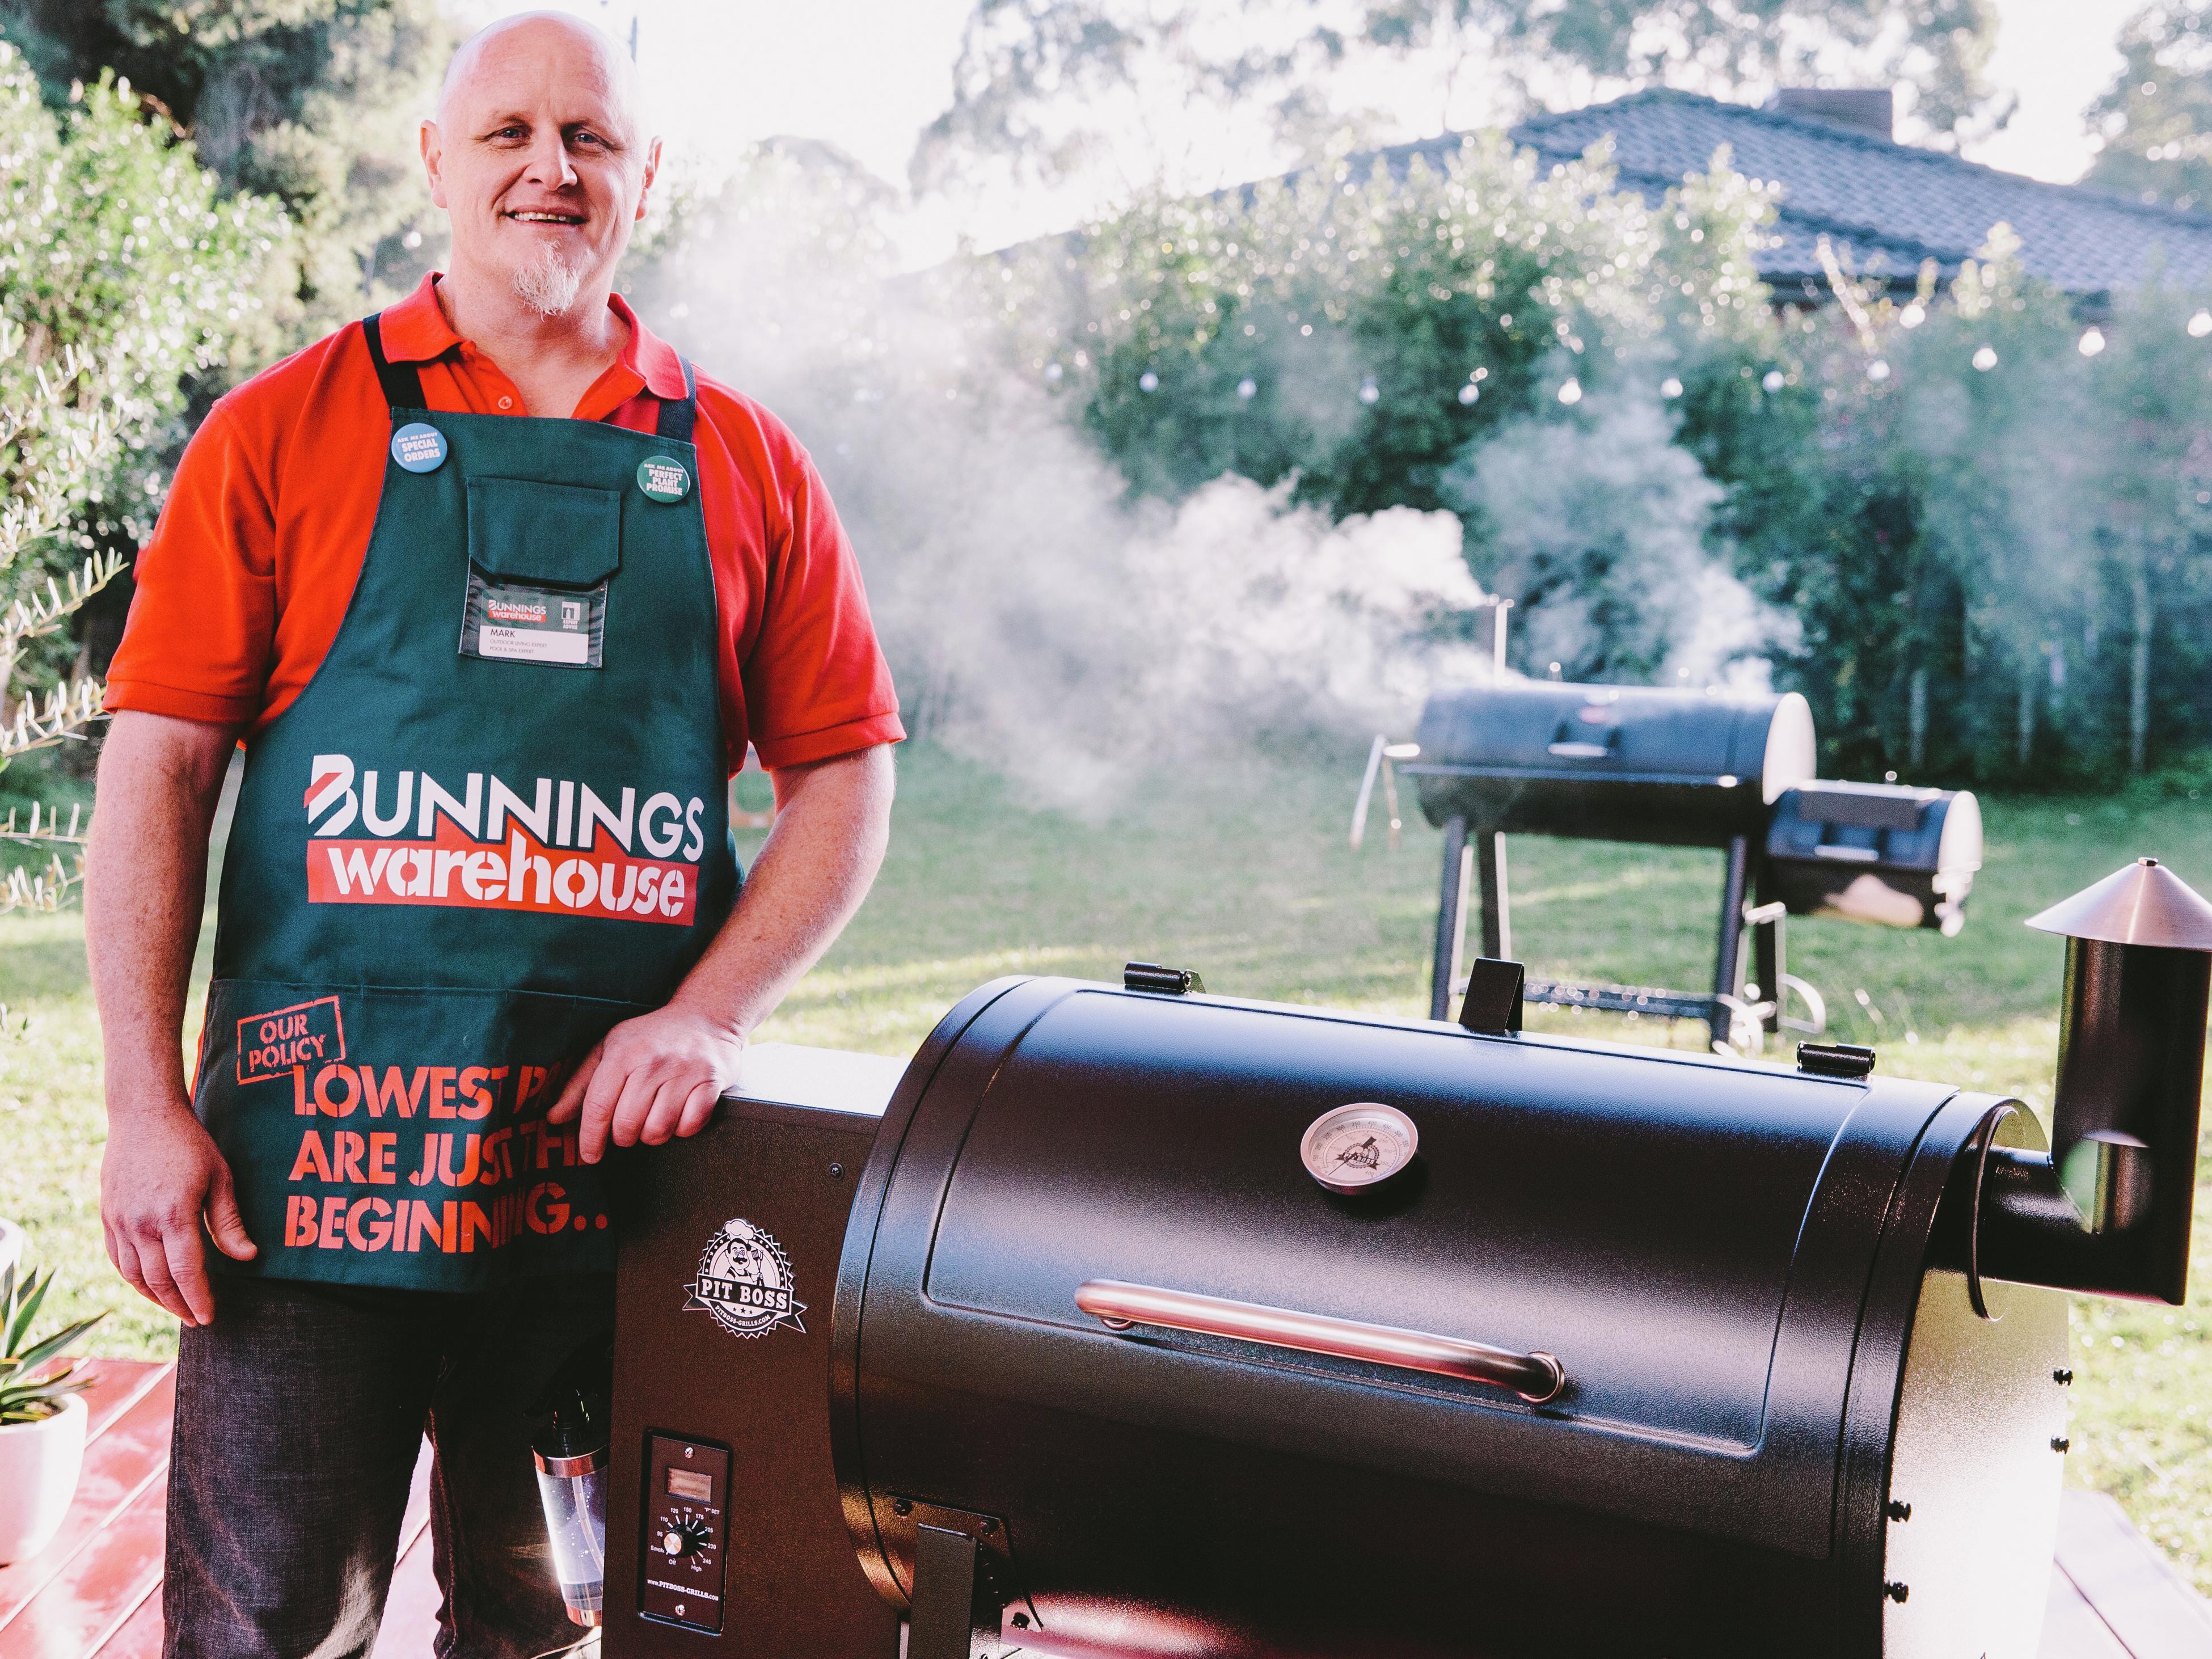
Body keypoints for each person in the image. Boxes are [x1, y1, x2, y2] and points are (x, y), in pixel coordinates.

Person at [84, 12, 901, 1654]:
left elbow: (847, 777)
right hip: (304, 1181)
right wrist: (140, 1104)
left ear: (645, 180)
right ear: (437, 163)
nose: (551, 168)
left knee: (536, 1627)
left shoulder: (748, 462)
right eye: (511, 133)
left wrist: (707, 1013)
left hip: (607, 1192)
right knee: (263, 1630)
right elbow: (154, 774)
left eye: (591, 139)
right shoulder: (278, 430)